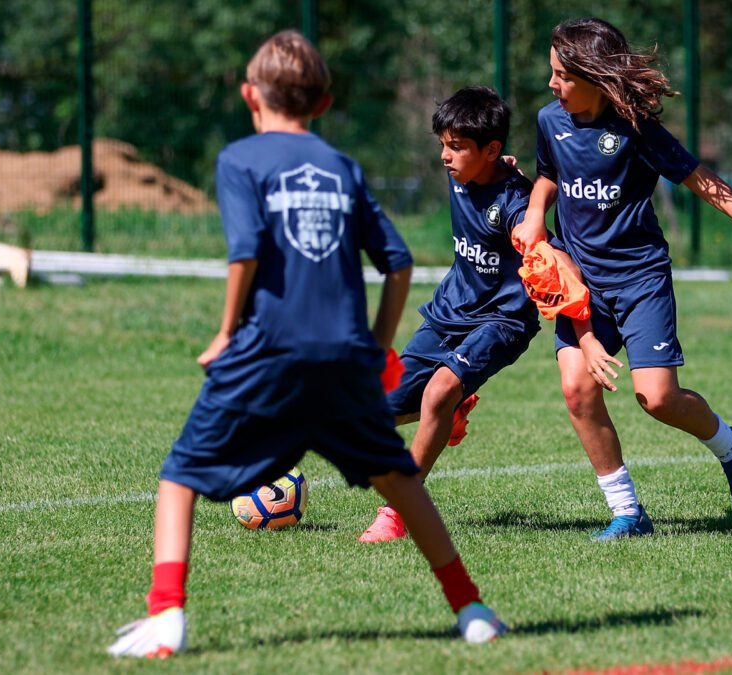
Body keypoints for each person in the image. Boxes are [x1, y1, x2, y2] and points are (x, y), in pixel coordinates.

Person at [107, 31, 506, 658]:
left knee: (180, 476)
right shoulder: (343, 167)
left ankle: (165, 618)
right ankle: (472, 609)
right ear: (322, 105)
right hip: (346, 356)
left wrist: (224, 332)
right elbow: (397, 263)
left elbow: (244, 253)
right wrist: (376, 347)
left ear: (249, 96)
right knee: (399, 479)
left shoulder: (239, 160)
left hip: (268, 351)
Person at [511, 17, 732, 540]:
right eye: (552, 74)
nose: (552, 85)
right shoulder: (549, 120)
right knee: (577, 390)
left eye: (562, 75)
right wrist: (537, 211)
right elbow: (548, 175)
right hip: (581, 280)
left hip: (639, 278)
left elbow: (701, 181)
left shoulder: (636, 129)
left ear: (595, 77)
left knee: (656, 398)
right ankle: (627, 512)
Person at [359, 86, 547, 543]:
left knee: (438, 392)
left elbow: (527, 222)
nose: (445, 155)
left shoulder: (514, 202)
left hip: (502, 320)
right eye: (443, 144)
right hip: (448, 312)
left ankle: (398, 512)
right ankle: (450, 408)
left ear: (492, 150)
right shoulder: (465, 169)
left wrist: (531, 237)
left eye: (456, 147)